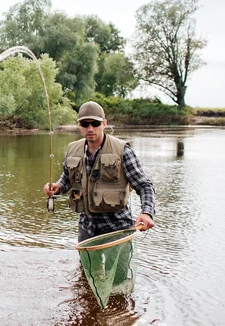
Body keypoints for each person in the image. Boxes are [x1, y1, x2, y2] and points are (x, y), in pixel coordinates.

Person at [43, 101, 155, 242]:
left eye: (95, 124)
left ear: (104, 123)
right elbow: (66, 180)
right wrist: (57, 188)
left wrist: (147, 213)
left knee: (118, 265)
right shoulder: (72, 150)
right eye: (85, 124)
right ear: (79, 125)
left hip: (118, 226)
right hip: (86, 226)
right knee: (86, 265)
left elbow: (144, 185)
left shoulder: (123, 151)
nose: (90, 129)